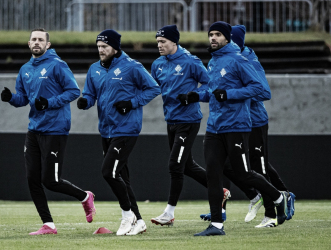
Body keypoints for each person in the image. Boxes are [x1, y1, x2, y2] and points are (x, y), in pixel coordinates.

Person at [189, 21, 288, 236]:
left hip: (236, 126)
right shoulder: (214, 62)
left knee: (244, 174)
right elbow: (213, 91)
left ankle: (279, 197)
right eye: (210, 34)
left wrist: (230, 94)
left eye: (217, 35)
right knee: (214, 174)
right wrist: (195, 95)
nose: (213, 38)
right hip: (214, 127)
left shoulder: (239, 60)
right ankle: (216, 225)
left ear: (227, 38)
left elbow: (261, 89)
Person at [0, 28, 96, 235]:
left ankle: (85, 196)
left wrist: (49, 103)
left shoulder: (57, 65)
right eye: (33, 39)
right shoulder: (25, 69)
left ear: (48, 45)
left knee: (50, 181)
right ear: (29, 44)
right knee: (32, 179)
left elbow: (73, 91)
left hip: (55, 128)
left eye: (40, 40)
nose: (36, 42)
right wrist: (11, 98)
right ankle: (49, 225)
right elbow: (23, 99)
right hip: (34, 129)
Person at [76, 29, 160, 236]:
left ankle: (127, 216)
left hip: (126, 129)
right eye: (98, 47)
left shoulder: (132, 67)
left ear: (115, 47)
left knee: (109, 172)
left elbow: (154, 88)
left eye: (104, 47)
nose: (101, 50)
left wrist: (131, 103)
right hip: (106, 129)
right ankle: (139, 221)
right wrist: (85, 101)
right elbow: (90, 94)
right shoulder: (94, 69)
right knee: (122, 178)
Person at [149, 24, 231, 227]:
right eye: (157, 42)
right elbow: (152, 88)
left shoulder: (190, 62)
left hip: (189, 120)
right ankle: (220, 191)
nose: (159, 45)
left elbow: (210, 84)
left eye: (163, 42)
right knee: (186, 166)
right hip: (171, 121)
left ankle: (169, 213)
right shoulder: (158, 64)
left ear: (174, 42)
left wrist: (192, 96)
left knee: (175, 165)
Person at [231, 25, 296, 225]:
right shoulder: (229, 59)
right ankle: (280, 195)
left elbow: (264, 92)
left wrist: (237, 93)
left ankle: (271, 214)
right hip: (239, 122)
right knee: (237, 165)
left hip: (255, 121)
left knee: (259, 167)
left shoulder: (249, 62)